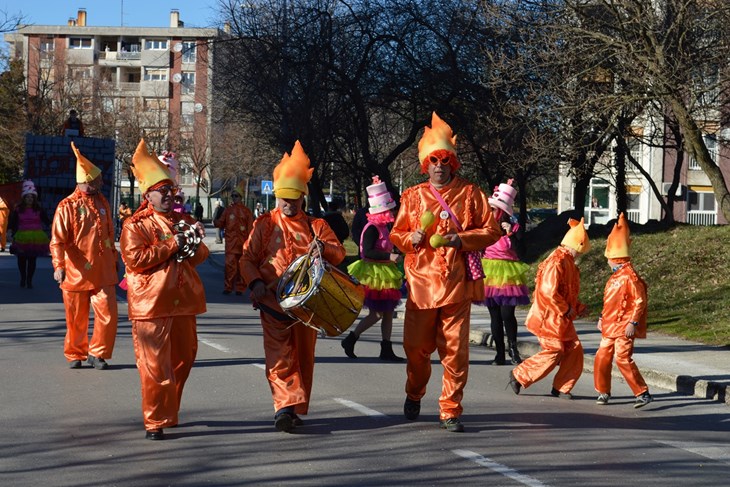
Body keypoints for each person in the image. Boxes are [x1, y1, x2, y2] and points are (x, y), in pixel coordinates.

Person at [390, 112, 502, 433]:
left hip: (456, 286)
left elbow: (492, 231)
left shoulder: (471, 194)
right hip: (421, 286)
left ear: (453, 162)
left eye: (445, 159)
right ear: (426, 165)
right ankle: (414, 391)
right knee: (416, 350)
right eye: (433, 161)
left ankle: (450, 410)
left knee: (454, 351)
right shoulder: (412, 197)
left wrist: (461, 239)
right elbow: (396, 234)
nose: (439, 165)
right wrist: (407, 239)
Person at [240, 140, 346, 433]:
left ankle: (296, 408)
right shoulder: (263, 224)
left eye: (294, 199)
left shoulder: (317, 226)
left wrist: (322, 248)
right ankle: (283, 407)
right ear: (276, 196)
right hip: (273, 303)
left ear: (303, 197)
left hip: (308, 306)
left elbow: (338, 253)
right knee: (279, 356)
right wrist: (256, 282)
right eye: (284, 199)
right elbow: (247, 259)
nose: (288, 205)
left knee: (303, 358)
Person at [120, 139, 208, 441]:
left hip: (184, 301)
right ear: (148, 195)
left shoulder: (184, 220)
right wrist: (173, 244)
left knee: (185, 358)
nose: (170, 195)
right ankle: (154, 419)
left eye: (172, 190)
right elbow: (135, 259)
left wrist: (195, 240)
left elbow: (199, 257)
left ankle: (169, 411)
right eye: (163, 191)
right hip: (151, 304)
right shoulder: (135, 225)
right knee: (155, 366)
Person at [50, 143, 119, 370]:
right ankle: (75, 353)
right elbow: (57, 240)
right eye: (92, 182)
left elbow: (109, 234)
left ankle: (97, 353)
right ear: (81, 182)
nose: (96, 185)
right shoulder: (66, 206)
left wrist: (114, 259)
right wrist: (58, 265)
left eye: (97, 181)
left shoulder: (103, 202)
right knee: (76, 317)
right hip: (76, 271)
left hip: (104, 271)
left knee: (107, 312)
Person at [508, 218, 590, 400]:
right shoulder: (557, 262)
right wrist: (566, 307)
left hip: (560, 318)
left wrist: (577, 307)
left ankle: (561, 387)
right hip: (548, 318)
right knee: (554, 350)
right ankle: (519, 375)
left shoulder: (567, 262)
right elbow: (548, 292)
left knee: (574, 350)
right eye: (580, 251)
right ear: (575, 246)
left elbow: (567, 292)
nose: (580, 255)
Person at [342, 176, 404, 362]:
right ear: (382, 210)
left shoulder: (384, 227)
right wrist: (389, 256)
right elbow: (367, 252)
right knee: (377, 313)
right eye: (390, 208)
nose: (393, 211)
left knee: (387, 312)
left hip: (385, 271)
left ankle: (386, 348)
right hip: (374, 273)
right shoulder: (372, 228)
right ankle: (351, 338)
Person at [594, 213, 653, 408]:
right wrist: (602, 317)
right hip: (610, 325)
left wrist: (632, 323)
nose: (607, 262)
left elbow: (639, 301)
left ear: (615, 259)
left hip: (623, 326)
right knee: (602, 357)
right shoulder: (615, 277)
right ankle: (603, 391)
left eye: (609, 258)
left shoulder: (630, 276)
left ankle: (642, 392)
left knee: (622, 358)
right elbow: (609, 302)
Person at [477, 180, 530, 365]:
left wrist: (511, 235)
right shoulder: (486, 229)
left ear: (501, 211)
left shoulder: (514, 228)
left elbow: (522, 253)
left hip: (508, 273)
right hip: (490, 272)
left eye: (493, 209)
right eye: (490, 209)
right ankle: (499, 353)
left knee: (507, 314)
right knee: (495, 316)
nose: (490, 213)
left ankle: (513, 350)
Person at [8, 180, 51, 288]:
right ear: (24, 198)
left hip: (35, 238)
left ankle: (29, 280)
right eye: (28, 197)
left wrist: (54, 228)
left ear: (34, 198)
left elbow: (47, 220)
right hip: (21, 236)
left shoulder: (39, 209)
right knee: (21, 259)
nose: (30, 199)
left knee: (32, 259)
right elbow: (12, 222)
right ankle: (23, 277)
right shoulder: (18, 209)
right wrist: (9, 231)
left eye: (32, 197)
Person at [214, 183, 254, 295]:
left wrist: (250, 243)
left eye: (236, 196)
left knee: (241, 267)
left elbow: (251, 228)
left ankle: (240, 288)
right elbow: (220, 223)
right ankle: (228, 287)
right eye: (233, 196)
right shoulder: (228, 211)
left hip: (243, 244)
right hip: (231, 244)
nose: (234, 198)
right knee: (230, 266)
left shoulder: (247, 211)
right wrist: (215, 219)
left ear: (241, 197)